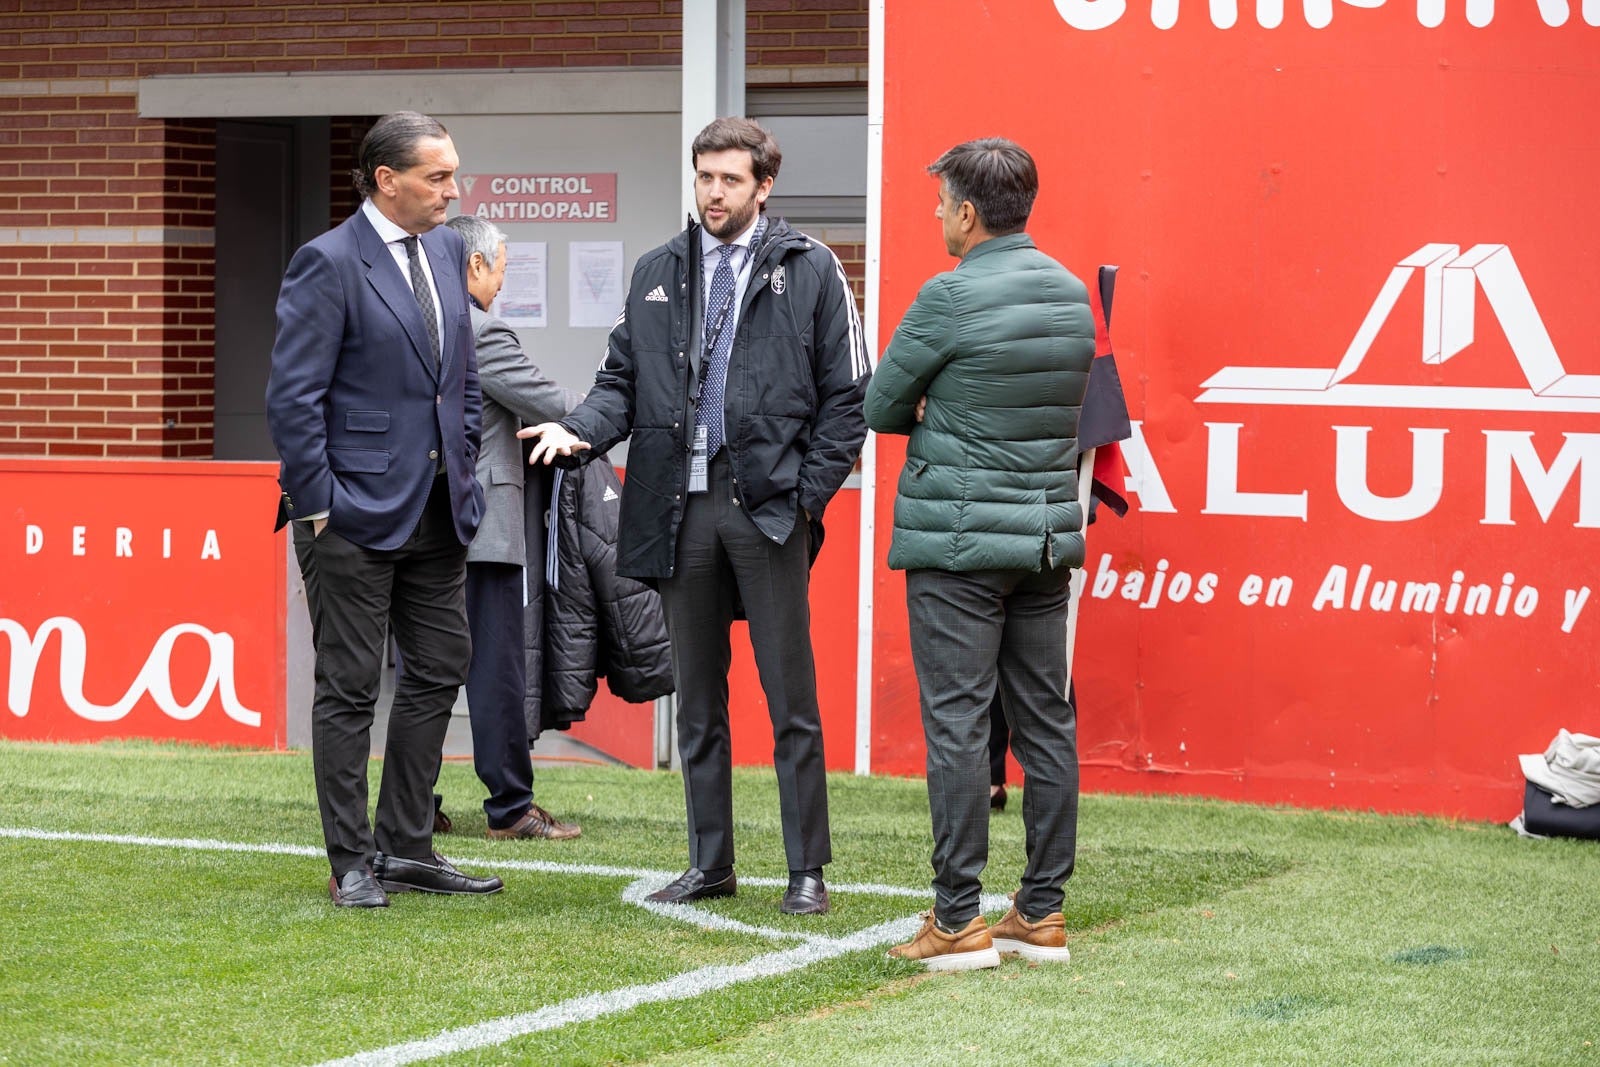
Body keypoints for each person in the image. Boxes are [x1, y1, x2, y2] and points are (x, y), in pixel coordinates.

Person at [520, 117, 870, 915]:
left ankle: (805, 869)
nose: (713, 193)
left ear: (764, 186)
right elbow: (621, 382)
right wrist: (578, 427)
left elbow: (848, 398)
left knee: (791, 700)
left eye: (730, 180)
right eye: (704, 177)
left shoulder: (812, 268)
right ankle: (711, 863)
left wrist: (806, 496)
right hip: (677, 509)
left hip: (768, 509)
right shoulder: (657, 271)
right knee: (699, 704)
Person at [866, 137, 1093, 968]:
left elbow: (882, 403)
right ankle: (1040, 913)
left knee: (958, 726)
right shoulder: (1072, 295)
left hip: (958, 546)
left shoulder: (950, 294)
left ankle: (958, 917)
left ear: (967, 212)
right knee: (1047, 724)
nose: (935, 217)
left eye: (940, 205)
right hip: (1040, 542)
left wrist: (936, 415)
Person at [266, 111, 502, 907]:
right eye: (437, 177)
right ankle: (351, 860)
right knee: (350, 687)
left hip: (439, 508)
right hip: (350, 514)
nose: (452, 190)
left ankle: (407, 844)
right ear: (385, 180)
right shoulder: (325, 262)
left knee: (440, 667)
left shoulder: (444, 249)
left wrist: (462, 465)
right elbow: (293, 398)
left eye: (454, 173)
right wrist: (318, 505)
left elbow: (461, 378)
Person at [437, 213, 582, 842]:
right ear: (476, 266)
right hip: (484, 530)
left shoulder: (419, 323)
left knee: (426, 674)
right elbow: (553, 407)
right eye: (501, 267)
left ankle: (415, 804)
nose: (502, 281)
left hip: (422, 527)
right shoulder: (483, 332)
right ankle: (511, 808)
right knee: (495, 670)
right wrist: (613, 410)